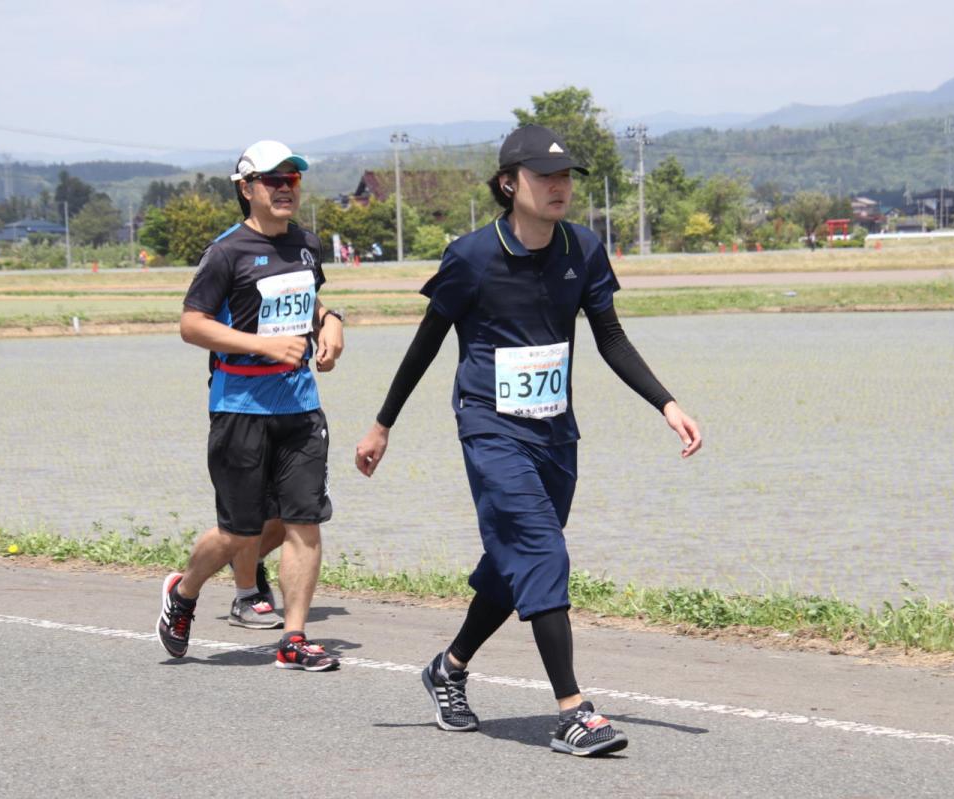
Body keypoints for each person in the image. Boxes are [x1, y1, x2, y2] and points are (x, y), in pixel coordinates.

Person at [355, 125, 702, 756]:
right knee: (542, 552)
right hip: (489, 427)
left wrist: (666, 403)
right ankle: (573, 710)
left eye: (566, 177)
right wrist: (383, 423)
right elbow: (427, 342)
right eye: (545, 177)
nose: (559, 187)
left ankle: (449, 668)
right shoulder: (471, 257)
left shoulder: (585, 249)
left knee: (514, 561)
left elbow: (611, 340)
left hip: (555, 431)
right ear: (510, 183)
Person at [157, 139, 346, 671]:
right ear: (246, 189)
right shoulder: (226, 252)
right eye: (273, 180)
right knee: (239, 531)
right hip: (240, 406)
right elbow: (191, 324)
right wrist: (264, 345)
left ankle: (294, 637)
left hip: (301, 408)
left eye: (292, 179)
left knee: (303, 522)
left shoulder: (307, 246)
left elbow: (313, 303)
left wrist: (331, 323)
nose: (285, 188)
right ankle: (185, 588)